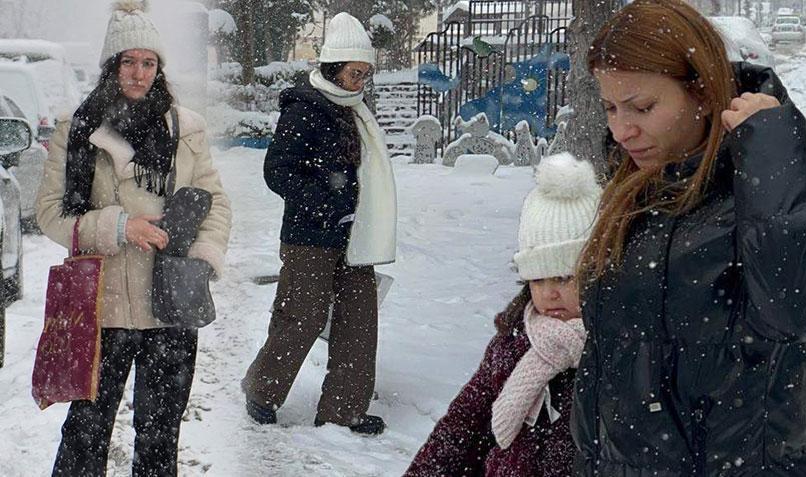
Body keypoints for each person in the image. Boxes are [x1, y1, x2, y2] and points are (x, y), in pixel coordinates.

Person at [569, 1, 806, 475]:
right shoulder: (635, 191)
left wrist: (772, 150)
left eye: (642, 107)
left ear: (701, 92)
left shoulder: (754, 188)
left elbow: (798, 306)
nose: (621, 129)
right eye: (610, 107)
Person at [36, 1, 231, 475]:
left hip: (171, 304)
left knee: (161, 433)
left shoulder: (186, 128)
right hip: (105, 304)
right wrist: (120, 226)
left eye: (149, 63)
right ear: (111, 67)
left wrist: (203, 258)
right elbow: (49, 213)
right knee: (87, 429)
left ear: (159, 68)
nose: (139, 73)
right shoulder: (78, 129)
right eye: (128, 61)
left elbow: (217, 204)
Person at [241, 12, 397, 436]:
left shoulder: (355, 110)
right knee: (302, 316)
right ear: (333, 67)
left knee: (359, 319)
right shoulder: (305, 110)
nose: (360, 81)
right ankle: (262, 390)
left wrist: (354, 203)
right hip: (309, 237)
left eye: (365, 74)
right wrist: (327, 198)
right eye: (354, 72)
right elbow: (277, 172)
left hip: (355, 235)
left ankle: (344, 410)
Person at [405, 154, 601, 476]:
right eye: (538, 279)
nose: (550, 293)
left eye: (565, 278)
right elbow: (464, 425)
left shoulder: (614, 353)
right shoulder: (514, 342)